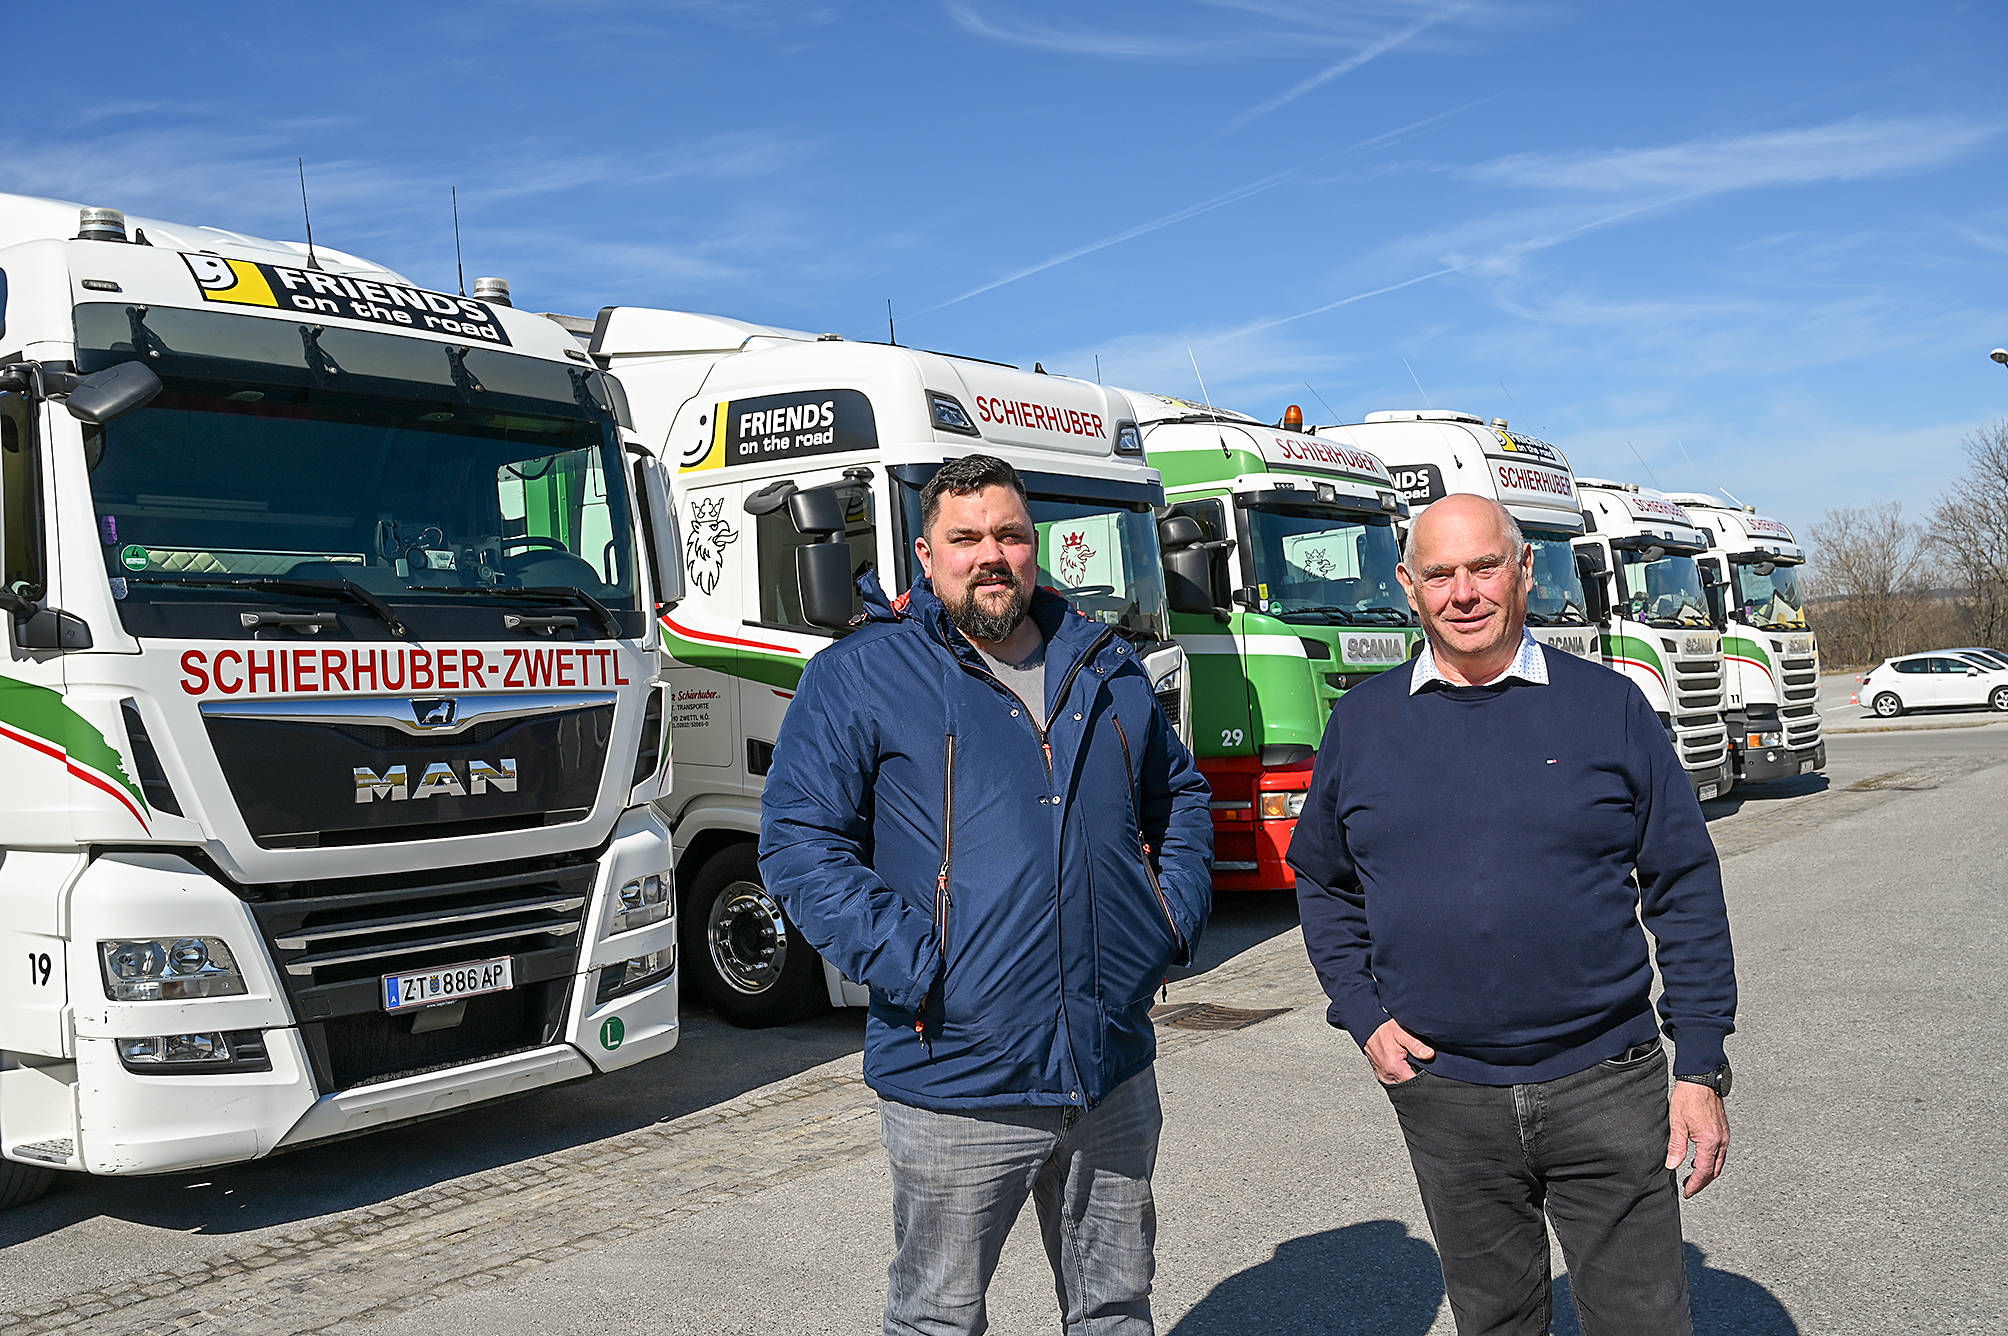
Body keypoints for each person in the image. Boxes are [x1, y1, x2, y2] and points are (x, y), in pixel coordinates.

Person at [759, 453, 1212, 1336]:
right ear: (927, 557)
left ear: (1035, 548)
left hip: (1108, 1068)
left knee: (1116, 1309)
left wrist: (1168, 921)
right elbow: (801, 844)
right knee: (938, 1318)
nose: (989, 555)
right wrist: (922, 966)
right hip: (954, 1074)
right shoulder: (862, 674)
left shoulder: (1105, 666)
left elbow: (1181, 797)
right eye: (964, 539)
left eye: (1009, 534)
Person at [1288, 493, 1736, 1336]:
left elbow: (1684, 886)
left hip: (1608, 1082)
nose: (1464, 593)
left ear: (1524, 571)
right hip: (1447, 1095)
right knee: (1494, 1323)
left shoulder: (1609, 709)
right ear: (1408, 587)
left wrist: (1702, 1064)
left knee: (1644, 1323)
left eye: (1484, 567)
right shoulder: (1363, 723)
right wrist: (1364, 1014)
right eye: (1440, 574)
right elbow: (1322, 881)